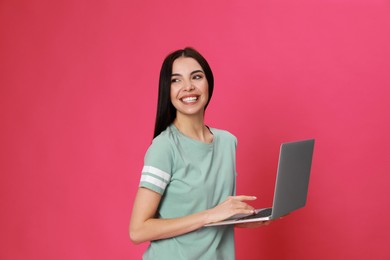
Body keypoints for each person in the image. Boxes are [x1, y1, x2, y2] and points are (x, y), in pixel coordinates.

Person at [129, 47, 270, 260]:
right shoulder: (164, 148)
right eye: (177, 80)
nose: (188, 87)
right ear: (167, 90)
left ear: (208, 83)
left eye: (196, 77)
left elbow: (207, 210)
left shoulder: (227, 142)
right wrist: (211, 215)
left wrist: (239, 218)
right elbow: (138, 230)